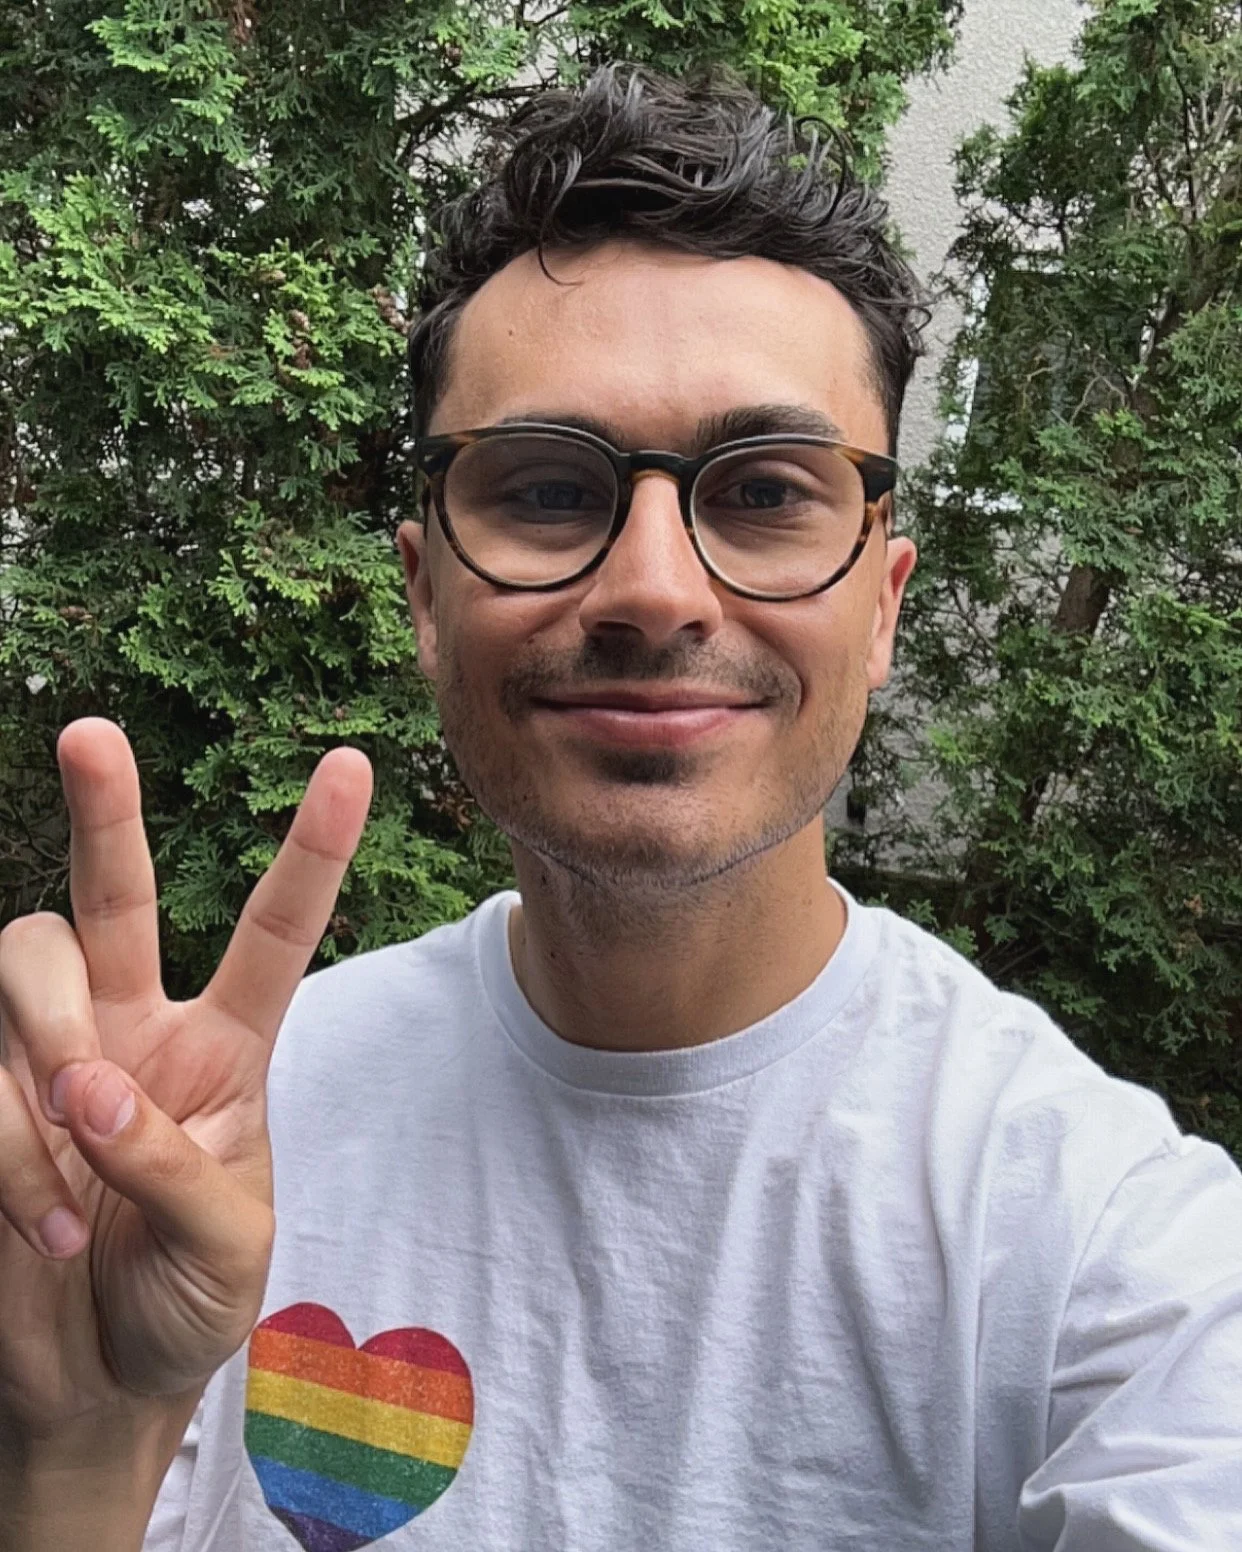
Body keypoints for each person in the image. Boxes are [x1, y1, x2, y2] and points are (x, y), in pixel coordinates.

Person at [1, 63, 1240, 1552]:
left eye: (766, 491)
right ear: (423, 593)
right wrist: (79, 1445)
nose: (654, 588)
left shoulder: (1100, 1242)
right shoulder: (206, 1153)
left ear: (885, 603)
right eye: (543, 488)